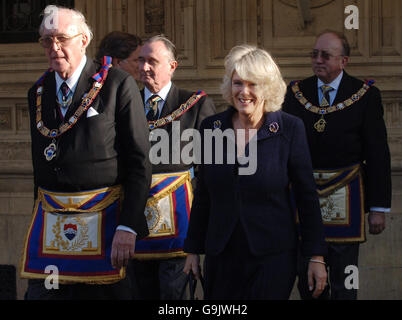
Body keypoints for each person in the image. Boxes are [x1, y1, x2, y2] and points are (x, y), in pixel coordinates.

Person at [20, 5, 152, 300]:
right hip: (52, 227)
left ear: (83, 39)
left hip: (105, 225)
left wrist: (129, 225)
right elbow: (40, 164)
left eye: (61, 39)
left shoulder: (117, 84)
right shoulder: (38, 92)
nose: (54, 48)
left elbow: (139, 161)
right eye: (46, 41)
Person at [183, 45, 328, 300]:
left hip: (273, 256)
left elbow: (307, 196)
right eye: (238, 83)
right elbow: (204, 194)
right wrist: (193, 250)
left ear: (268, 87)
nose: (244, 92)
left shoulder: (289, 129)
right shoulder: (211, 128)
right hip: (222, 255)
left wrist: (316, 256)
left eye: (253, 84)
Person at [282, 30, 392, 300]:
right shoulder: (295, 93)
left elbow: (378, 153)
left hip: (348, 198)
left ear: (344, 61)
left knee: (346, 281)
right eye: (314, 54)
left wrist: (378, 208)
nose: (318, 60)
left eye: (325, 55)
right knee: (307, 279)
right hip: (304, 199)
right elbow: (282, 150)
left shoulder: (366, 95)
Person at [132, 34, 216, 300]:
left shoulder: (196, 104)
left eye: (152, 61)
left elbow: (210, 170)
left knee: (174, 297)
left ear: (172, 66)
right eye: (141, 61)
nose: (145, 67)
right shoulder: (125, 103)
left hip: (180, 229)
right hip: (134, 227)